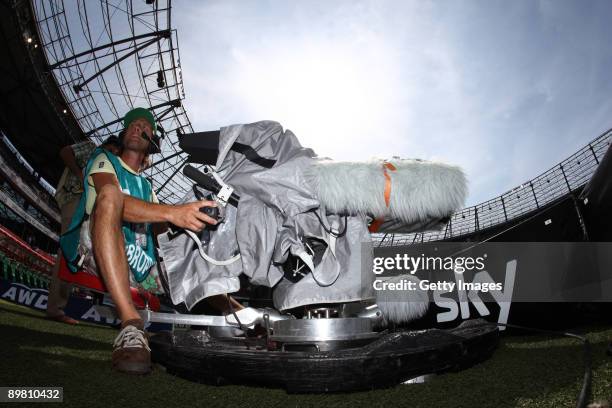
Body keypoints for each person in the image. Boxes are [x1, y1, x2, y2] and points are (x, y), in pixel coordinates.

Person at [62, 107, 217, 375]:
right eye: (131, 124)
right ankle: (131, 326)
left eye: (143, 125)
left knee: (196, 255)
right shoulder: (103, 159)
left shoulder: (148, 189)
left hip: (140, 267)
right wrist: (173, 212)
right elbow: (110, 198)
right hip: (95, 251)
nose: (135, 127)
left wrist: (192, 235)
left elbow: (162, 237)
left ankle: (248, 322)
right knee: (111, 196)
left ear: (152, 140)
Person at [46, 136, 121, 324]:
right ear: (104, 146)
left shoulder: (107, 165)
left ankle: (57, 307)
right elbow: (65, 151)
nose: (112, 155)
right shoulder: (91, 148)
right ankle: (56, 308)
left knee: (74, 253)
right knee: (69, 251)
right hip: (75, 198)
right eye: (111, 150)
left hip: (87, 206)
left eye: (116, 154)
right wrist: (81, 174)